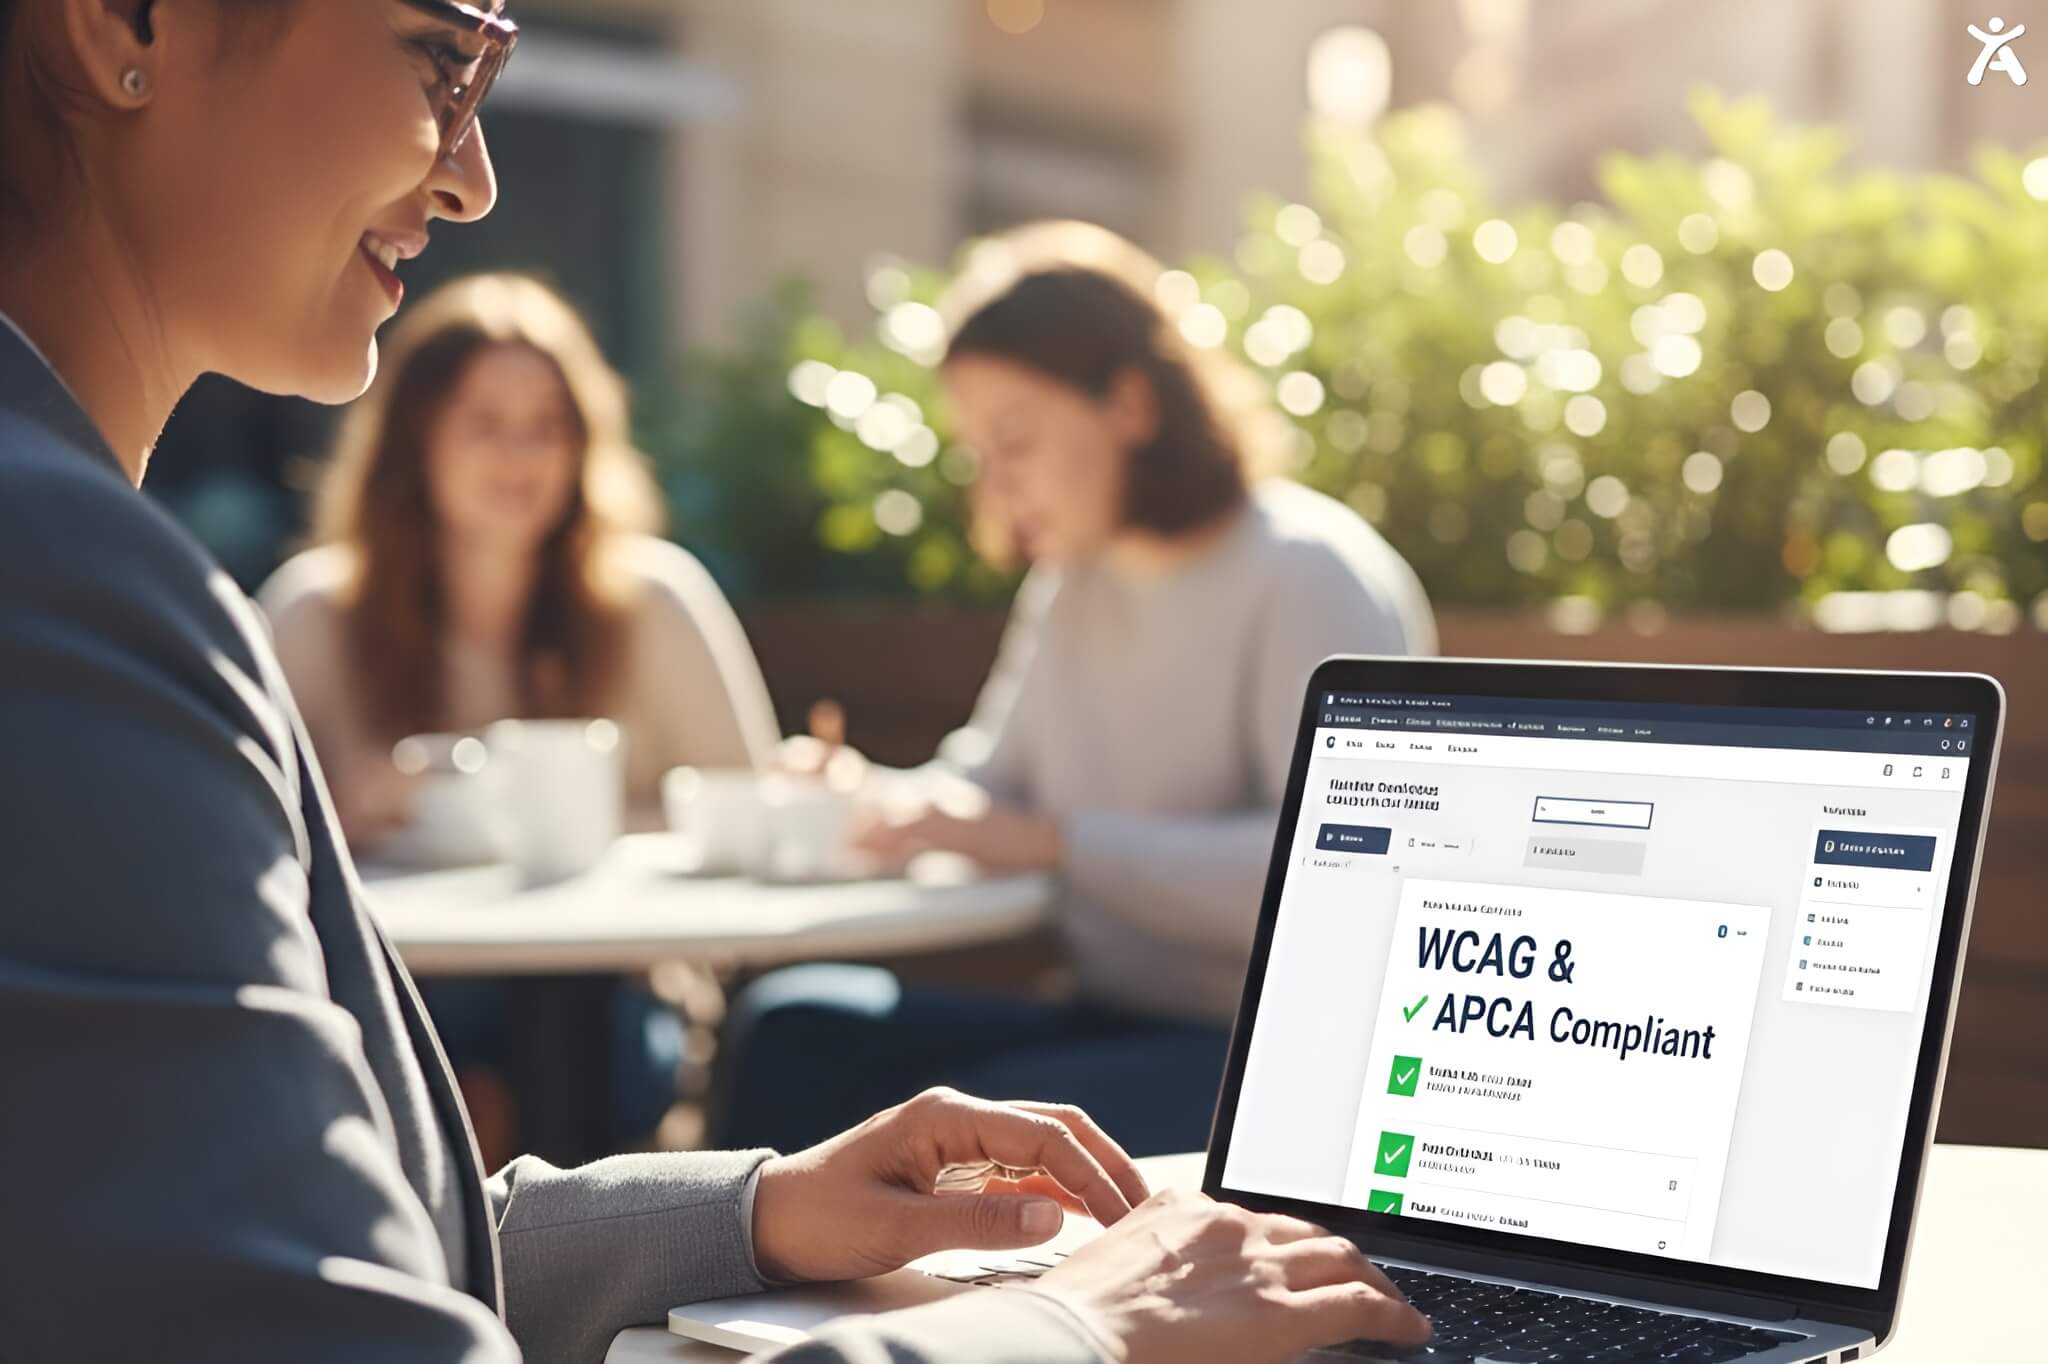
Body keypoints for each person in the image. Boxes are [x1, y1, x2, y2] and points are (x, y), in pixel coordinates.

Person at [0, 4, 1429, 1364]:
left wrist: (750, 1213)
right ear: (131, 15)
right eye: (442, 53)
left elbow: (347, 1256)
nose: (478, 176)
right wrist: (1079, 1329)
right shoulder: (61, 580)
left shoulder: (1299, 572)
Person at [719, 223, 1435, 1157]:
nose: (994, 486)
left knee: (1005, 1113)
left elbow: (1340, 875)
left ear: (1130, 403)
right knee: (794, 1027)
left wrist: (1057, 845)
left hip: (1285, 1067)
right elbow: (988, 779)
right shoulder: (1072, 584)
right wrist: (873, 798)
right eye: (977, 452)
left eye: (1014, 440)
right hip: (1113, 1017)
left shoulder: (1309, 576)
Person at [259, 271, 779, 1162]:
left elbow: (751, 819)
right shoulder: (314, 616)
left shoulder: (655, 602)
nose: (522, 457)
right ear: (413, 441)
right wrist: (347, 817)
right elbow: (245, 844)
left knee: (566, 1014)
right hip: (396, 993)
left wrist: (585, 829)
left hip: (613, 995)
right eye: (486, 425)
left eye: (549, 427)